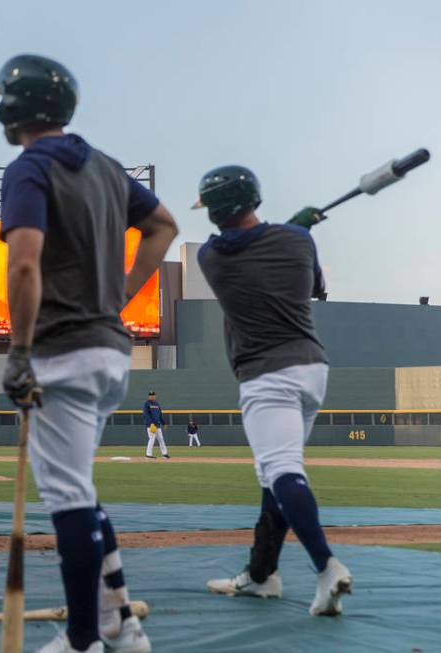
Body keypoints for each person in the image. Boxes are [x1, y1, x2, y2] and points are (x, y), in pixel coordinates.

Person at [0, 55, 178, 653]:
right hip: (110, 353)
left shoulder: (29, 168)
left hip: (61, 351)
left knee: (67, 497)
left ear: (17, 108)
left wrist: (18, 351)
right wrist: (121, 290)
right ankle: (121, 621)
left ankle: (84, 640)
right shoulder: (107, 167)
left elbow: (22, 263)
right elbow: (164, 226)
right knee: (81, 490)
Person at [193, 165, 352, 615]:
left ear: (213, 211)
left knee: (281, 470)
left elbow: (242, 243)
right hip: (312, 368)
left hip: (267, 374)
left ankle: (327, 566)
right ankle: (262, 574)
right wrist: (294, 228)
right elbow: (315, 286)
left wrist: (290, 225)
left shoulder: (211, 256)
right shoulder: (298, 241)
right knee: (274, 478)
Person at [142, 392, 169, 459]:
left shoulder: (157, 404)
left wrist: (164, 423)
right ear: (149, 397)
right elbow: (146, 415)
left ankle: (164, 454)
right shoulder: (147, 404)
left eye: (153, 395)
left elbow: (160, 415)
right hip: (151, 425)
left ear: (155, 396)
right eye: (150, 395)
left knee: (161, 439)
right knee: (152, 439)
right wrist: (150, 423)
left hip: (158, 425)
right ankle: (148, 455)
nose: (152, 396)